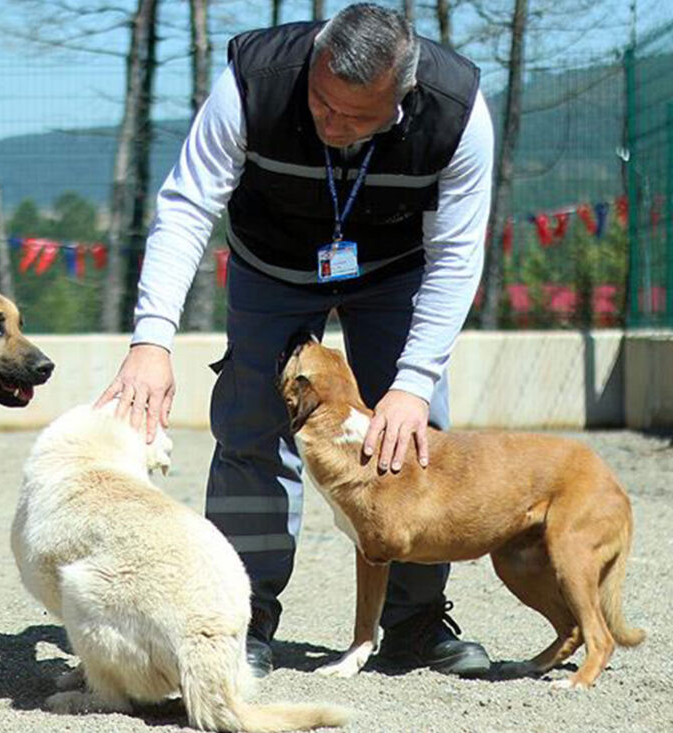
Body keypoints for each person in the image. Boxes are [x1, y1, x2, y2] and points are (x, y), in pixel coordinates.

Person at [96, 3, 494, 679]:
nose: (329, 122)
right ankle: (240, 616)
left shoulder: (458, 111)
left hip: (395, 271)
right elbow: (188, 203)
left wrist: (413, 382)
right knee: (250, 427)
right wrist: (152, 339)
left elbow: (457, 255)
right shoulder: (254, 81)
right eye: (320, 102)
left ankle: (415, 625)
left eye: (354, 116)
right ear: (313, 63)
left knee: (413, 434)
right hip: (270, 265)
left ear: (399, 99)